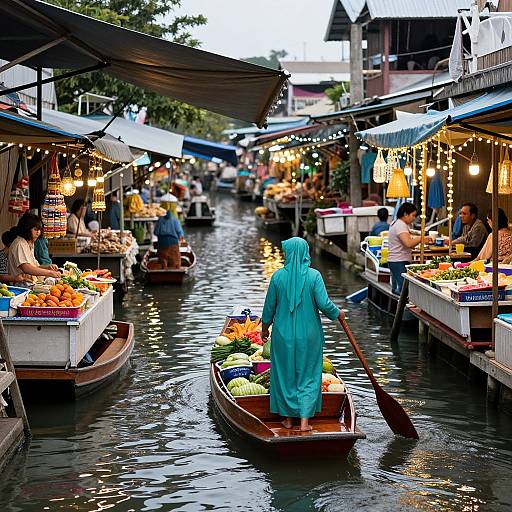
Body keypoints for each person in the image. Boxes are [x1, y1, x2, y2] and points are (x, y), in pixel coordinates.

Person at [261, 237, 345, 432]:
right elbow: (325, 304)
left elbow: (268, 309)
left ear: (290, 254)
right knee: (308, 374)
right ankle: (305, 423)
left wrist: (264, 329)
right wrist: (337, 313)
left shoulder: (277, 277)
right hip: (310, 335)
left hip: (283, 335)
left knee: (284, 374)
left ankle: (289, 420)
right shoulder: (314, 276)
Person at [388, 203, 429, 295]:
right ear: (405, 214)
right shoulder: (400, 225)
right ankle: (402, 308)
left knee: (397, 289)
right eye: (413, 215)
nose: (414, 218)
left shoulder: (396, 223)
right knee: (404, 290)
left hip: (395, 260)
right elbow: (408, 243)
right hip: (399, 261)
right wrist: (422, 238)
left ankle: (396, 307)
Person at [8, 213, 60, 284]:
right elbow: (26, 268)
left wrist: (48, 267)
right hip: (21, 286)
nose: (38, 232)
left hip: (30, 283)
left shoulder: (29, 243)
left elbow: (35, 266)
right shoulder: (19, 244)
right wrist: (49, 273)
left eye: (39, 229)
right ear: (26, 229)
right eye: (35, 229)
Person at [154, 201, 185, 269]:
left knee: (163, 259)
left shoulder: (160, 219)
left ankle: (164, 267)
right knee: (175, 262)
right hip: (173, 243)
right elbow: (180, 233)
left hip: (162, 243)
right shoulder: (175, 220)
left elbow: (156, 232)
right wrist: (181, 237)